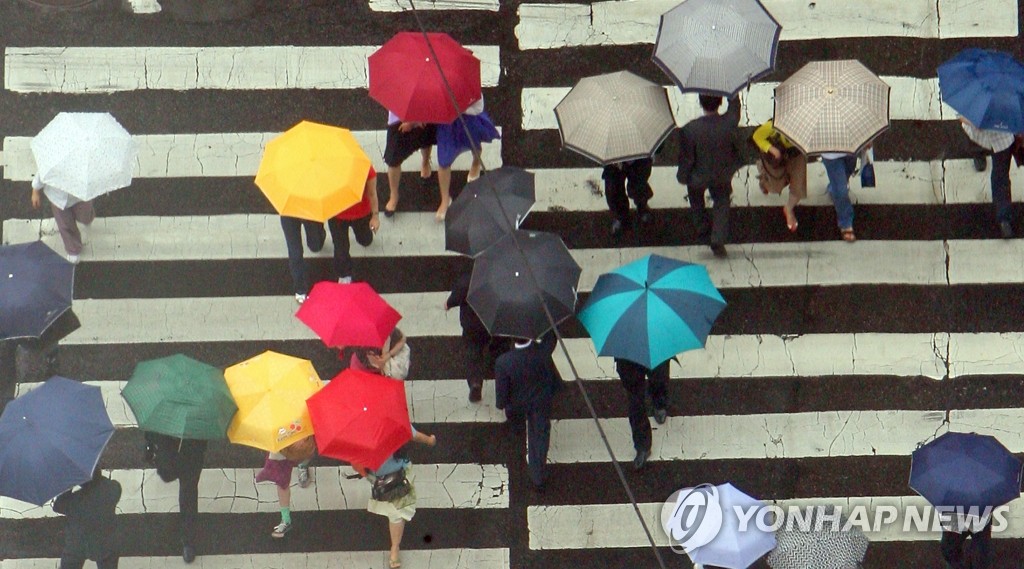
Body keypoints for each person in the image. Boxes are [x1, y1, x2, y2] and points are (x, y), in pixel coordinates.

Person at [354, 428, 437, 569]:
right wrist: (430, 440)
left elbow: (357, 466)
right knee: (397, 515)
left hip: (377, 478)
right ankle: (395, 548)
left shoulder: (356, 434)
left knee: (394, 513)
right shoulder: (392, 423)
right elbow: (413, 434)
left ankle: (395, 548)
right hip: (400, 475)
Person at [676, 94, 742, 257]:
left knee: (696, 198)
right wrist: (731, 90)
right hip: (722, 174)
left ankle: (702, 228)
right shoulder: (729, 122)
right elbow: (735, 107)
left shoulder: (690, 129)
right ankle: (718, 238)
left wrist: (682, 176)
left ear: (700, 103)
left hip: (698, 176)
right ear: (720, 102)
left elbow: (687, 158)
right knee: (721, 200)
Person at [494, 334, 561, 491]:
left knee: (516, 425)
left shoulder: (503, 362)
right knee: (540, 434)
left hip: (517, 405)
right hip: (539, 402)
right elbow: (552, 338)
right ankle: (538, 476)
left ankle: (517, 436)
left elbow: (502, 396)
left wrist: (502, 404)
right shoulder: (542, 353)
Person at [143, 431, 207, 563]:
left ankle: (188, 541)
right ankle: (188, 543)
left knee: (188, 494)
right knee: (186, 490)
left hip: (191, 453)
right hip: (178, 450)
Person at [445, 269, 507, 402]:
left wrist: (449, 304)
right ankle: (498, 364)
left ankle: (475, 382)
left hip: (472, 324)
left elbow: (451, 302)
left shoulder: (467, 281)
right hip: (493, 321)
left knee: (473, 350)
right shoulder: (502, 278)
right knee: (499, 345)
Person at [434, 96, 500, 221]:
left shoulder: (470, 85)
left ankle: (476, 164)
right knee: (443, 162)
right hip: (447, 123)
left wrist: (461, 108)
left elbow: (478, 107)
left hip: (468, 120)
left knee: (475, 146)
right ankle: (445, 199)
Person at [959, 117, 1017, 238]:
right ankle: (978, 152)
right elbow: (962, 116)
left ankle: (1003, 217)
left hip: (1003, 137)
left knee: (1000, 175)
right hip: (980, 129)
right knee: (977, 143)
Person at [52, 469, 121, 569]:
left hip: (77, 543)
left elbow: (58, 506)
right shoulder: (111, 489)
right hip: (105, 541)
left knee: (70, 559)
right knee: (108, 558)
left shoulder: (76, 500)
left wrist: (69, 484)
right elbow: (110, 485)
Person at [751, 119, 807, 232]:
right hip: (778, 154)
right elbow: (757, 136)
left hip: (797, 155)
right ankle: (763, 173)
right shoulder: (775, 124)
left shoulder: (807, 127)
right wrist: (771, 149)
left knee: (798, 188)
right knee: (774, 188)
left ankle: (789, 209)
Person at [254, 435, 316, 538]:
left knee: (307, 448)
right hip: (281, 435)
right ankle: (286, 519)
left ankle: (303, 464)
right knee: (281, 478)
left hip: (302, 428)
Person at [615, 358, 669, 470]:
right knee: (635, 399)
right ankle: (642, 445)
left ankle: (659, 401)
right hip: (627, 354)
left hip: (656, 344)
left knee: (659, 375)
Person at [329, 166, 380, 283]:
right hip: (337, 216)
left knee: (365, 240)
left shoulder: (367, 169)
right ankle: (344, 273)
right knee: (340, 248)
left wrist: (375, 216)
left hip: (361, 214)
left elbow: (372, 194)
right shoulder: (330, 170)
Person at [30, 174, 94, 264]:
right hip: (58, 198)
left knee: (85, 215)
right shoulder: (54, 161)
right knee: (65, 224)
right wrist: (35, 190)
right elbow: (43, 172)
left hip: (80, 196)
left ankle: (87, 218)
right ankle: (73, 249)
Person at [382, 111, 436, 217]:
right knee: (393, 159)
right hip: (398, 120)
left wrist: (416, 120)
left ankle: (425, 162)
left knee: (425, 140)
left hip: (424, 114)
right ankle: (394, 194)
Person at [280, 216, 327, 303]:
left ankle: (320, 233)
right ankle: (300, 289)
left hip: (310, 212)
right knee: (295, 253)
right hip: (289, 215)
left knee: (315, 246)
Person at [603, 157, 654, 236]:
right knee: (613, 188)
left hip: (638, 156)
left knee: (639, 183)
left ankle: (642, 206)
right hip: (614, 159)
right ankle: (621, 215)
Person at [819, 151, 860, 242]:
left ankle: (835, 186)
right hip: (831, 154)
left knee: (843, 178)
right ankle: (845, 223)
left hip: (850, 151)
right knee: (841, 191)